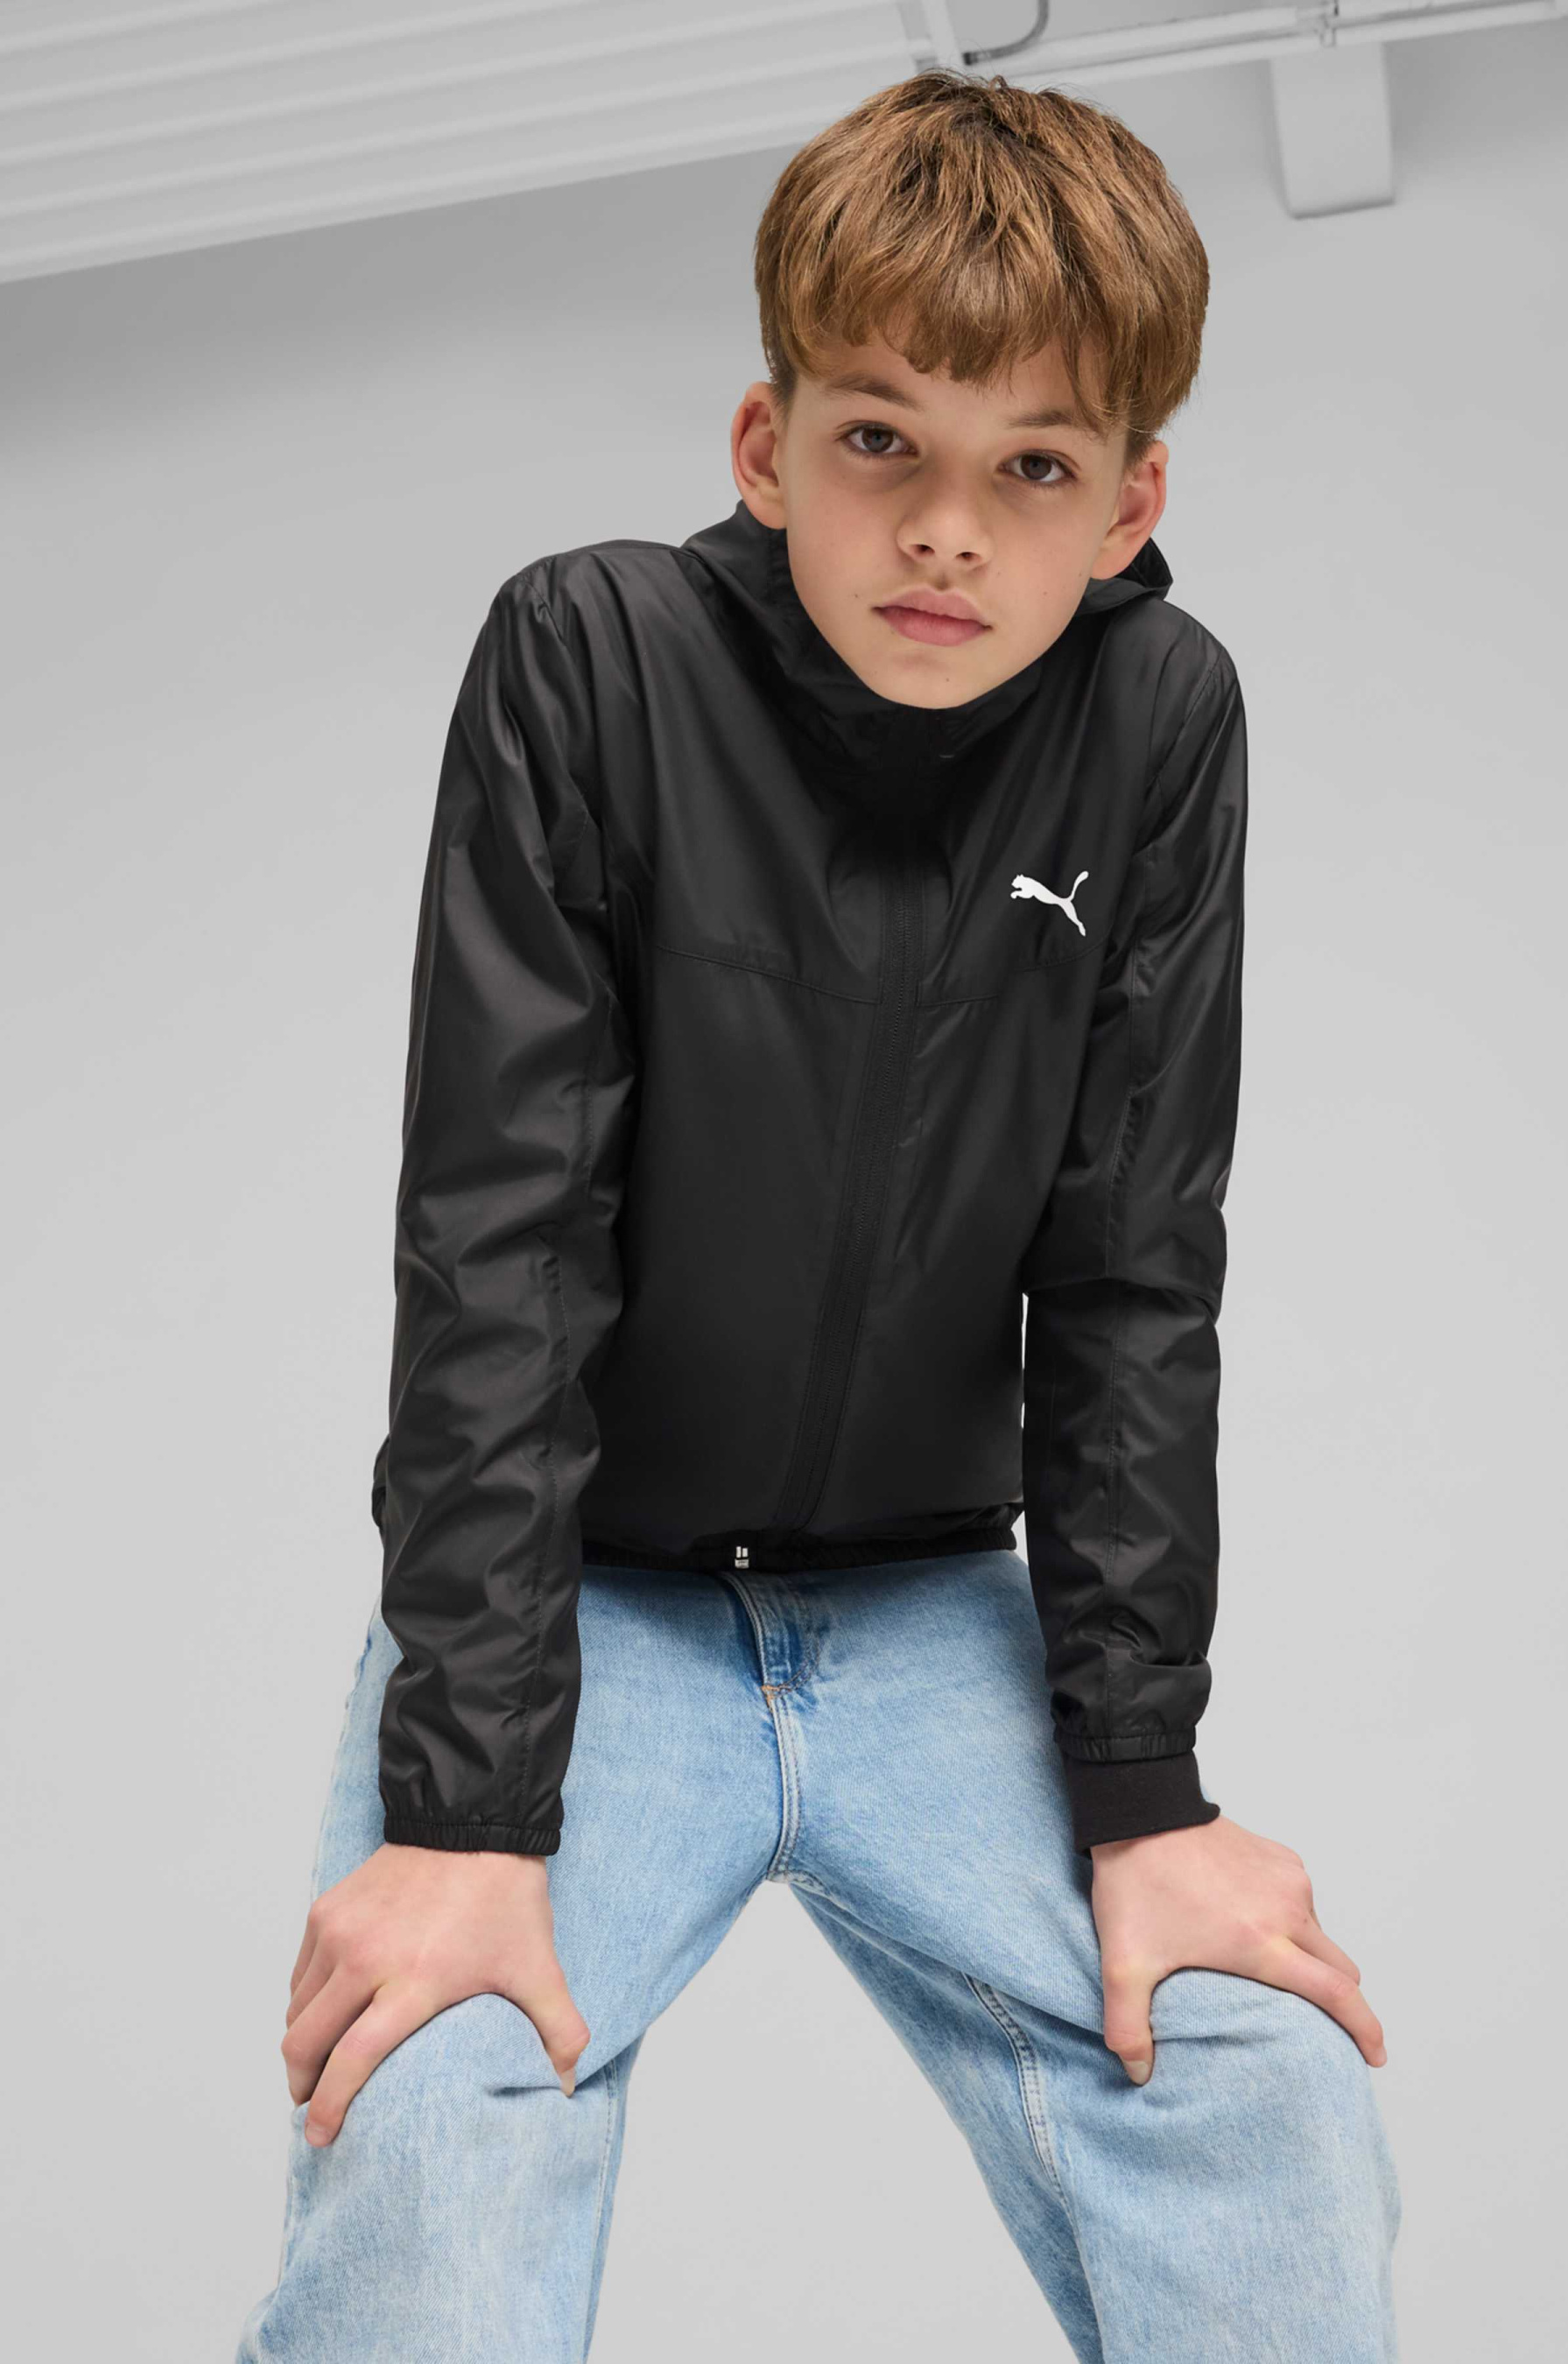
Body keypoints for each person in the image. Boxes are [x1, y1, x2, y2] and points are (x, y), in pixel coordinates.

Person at [236, 67, 1402, 2363]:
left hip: (935, 1612)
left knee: (1262, 2086)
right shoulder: (589, 658)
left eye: (1031, 468)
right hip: (578, 1622)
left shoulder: (1162, 721)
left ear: (1129, 503)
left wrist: (1143, 1790)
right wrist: (463, 1813)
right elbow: (498, 1251)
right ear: (767, 447)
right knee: (430, 2136)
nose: (946, 532)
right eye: (883, 442)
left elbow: (1134, 1274)